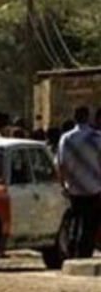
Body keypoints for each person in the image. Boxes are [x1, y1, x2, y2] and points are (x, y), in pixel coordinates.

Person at [57, 107, 101, 259]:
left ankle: (73, 250)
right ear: (88, 118)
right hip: (94, 187)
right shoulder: (97, 137)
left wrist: (63, 185)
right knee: (90, 224)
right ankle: (84, 253)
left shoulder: (66, 138)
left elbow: (61, 164)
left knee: (75, 221)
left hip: (74, 188)